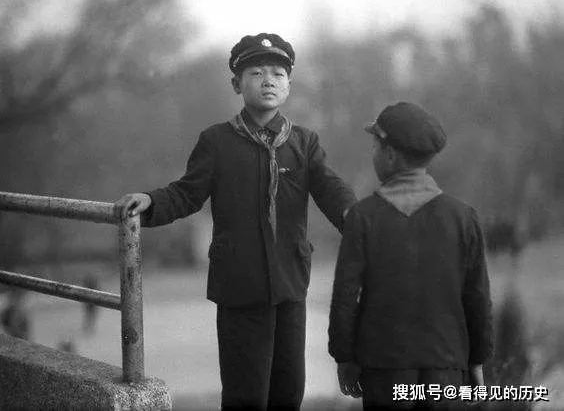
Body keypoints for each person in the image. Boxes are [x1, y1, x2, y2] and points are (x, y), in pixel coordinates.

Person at [114, 33, 357, 410]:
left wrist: (354, 217)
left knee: (288, 390)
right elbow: (187, 193)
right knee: (245, 394)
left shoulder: (303, 142)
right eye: (256, 73)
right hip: (239, 284)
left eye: (278, 73)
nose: (268, 81)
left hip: (290, 282)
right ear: (236, 84)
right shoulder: (217, 142)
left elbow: (330, 188)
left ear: (289, 85)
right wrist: (151, 202)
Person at [328, 102, 493, 410]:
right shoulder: (463, 218)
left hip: (383, 368)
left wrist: (345, 357)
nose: (373, 154)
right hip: (446, 364)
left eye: (375, 147)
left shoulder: (363, 217)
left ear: (390, 155)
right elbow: (477, 297)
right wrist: (477, 359)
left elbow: (345, 297)